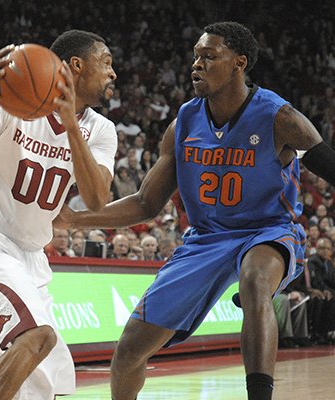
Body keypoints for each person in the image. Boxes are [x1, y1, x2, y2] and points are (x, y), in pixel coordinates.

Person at [54, 22, 335, 400]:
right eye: (196, 57)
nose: (196, 65)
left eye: (208, 56)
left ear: (239, 63)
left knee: (254, 281)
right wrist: (74, 219)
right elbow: (145, 203)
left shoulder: (280, 117)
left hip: (268, 231)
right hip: (204, 240)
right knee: (128, 352)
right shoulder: (183, 123)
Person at [0, 29, 117, 400]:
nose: (113, 74)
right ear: (76, 66)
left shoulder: (101, 130)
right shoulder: (7, 105)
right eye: (107, 63)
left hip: (33, 259)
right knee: (36, 336)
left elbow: (96, 199)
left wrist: (70, 123)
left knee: (50, 382)